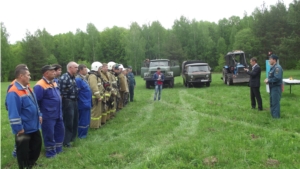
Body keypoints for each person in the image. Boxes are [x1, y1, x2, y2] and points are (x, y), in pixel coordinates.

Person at [6, 65, 42, 168]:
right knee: (23, 150)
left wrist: (39, 114)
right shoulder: (13, 92)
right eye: (28, 75)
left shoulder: (28, 88)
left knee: (36, 145)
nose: (30, 77)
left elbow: (35, 103)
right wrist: (18, 128)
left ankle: (31, 163)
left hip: (34, 125)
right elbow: (13, 113)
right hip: (24, 128)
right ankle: (24, 166)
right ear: (21, 76)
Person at [34, 65, 65, 158]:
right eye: (52, 71)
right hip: (48, 115)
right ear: (46, 73)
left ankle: (59, 149)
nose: (54, 72)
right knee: (49, 134)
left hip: (58, 113)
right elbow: (37, 102)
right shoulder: (39, 85)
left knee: (60, 131)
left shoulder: (54, 82)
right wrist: (40, 114)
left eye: (54, 71)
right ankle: (51, 153)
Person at [5, 64, 29, 158]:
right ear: (20, 73)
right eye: (26, 70)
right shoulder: (13, 85)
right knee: (20, 133)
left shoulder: (25, 83)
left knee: (25, 135)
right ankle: (16, 151)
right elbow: (9, 102)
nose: (28, 73)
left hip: (26, 112)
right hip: (19, 113)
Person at [59, 61, 78, 147]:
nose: (77, 69)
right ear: (70, 68)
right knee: (68, 122)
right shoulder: (64, 77)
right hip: (67, 101)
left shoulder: (73, 77)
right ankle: (66, 141)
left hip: (74, 101)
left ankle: (72, 138)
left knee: (75, 120)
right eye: (76, 67)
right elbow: (61, 92)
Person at [75, 64, 92, 138]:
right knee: (83, 120)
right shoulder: (78, 79)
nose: (86, 71)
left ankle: (85, 133)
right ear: (80, 70)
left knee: (86, 120)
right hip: (82, 103)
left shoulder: (83, 78)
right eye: (85, 69)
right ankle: (81, 135)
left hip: (87, 102)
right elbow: (77, 92)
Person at [88, 62, 105, 128]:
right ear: (96, 68)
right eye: (100, 68)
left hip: (97, 97)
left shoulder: (96, 76)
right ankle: (94, 126)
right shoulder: (92, 76)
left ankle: (98, 125)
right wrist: (98, 96)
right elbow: (94, 87)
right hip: (95, 98)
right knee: (95, 113)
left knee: (98, 112)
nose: (100, 70)